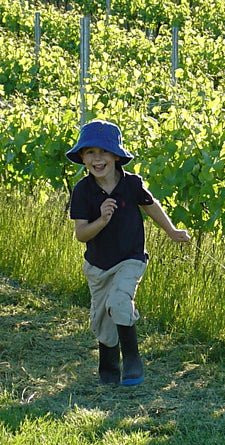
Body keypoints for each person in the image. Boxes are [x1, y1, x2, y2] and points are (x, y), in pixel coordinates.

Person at [67, 119, 191, 386]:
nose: (97, 159)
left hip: (130, 258)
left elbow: (151, 205)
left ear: (116, 156)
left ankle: (133, 360)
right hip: (98, 266)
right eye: (90, 153)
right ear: (82, 158)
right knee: (102, 322)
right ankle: (109, 367)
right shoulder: (82, 191)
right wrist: (101, 220)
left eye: (104, 152)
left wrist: (171, 231)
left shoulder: (131, 184)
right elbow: (80, 235)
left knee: (120, 303)